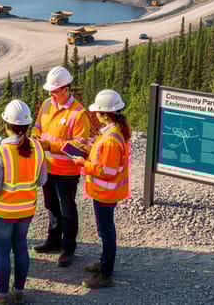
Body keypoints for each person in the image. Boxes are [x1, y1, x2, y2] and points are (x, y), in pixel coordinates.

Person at [0, 100, 47, 305]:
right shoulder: (38, 148)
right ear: (27, 125)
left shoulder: (0, 152)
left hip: (2, 212)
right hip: (26, 210)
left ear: (6, 124)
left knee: (2, 252)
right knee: (21, 248)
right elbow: (42, 180)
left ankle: (1, 295)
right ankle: (18, 291)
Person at [32, 66, 91, 267]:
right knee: (50, 206)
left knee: (67, 210)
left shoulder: (79, 114)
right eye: (50, 91)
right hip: (47, 167)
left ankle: (68, 247)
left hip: (66, 171)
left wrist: (50, 146)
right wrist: (35, 137)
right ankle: (53, 240)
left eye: (55, 91)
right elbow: (38, 126)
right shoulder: (47, 104)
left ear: (66, 89)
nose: (51, 94)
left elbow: (79, 148)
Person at [81, 89, 131, 289]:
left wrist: (83, 164)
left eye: (97, 112)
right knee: (105, 230)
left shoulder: (111, 139)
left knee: (106, 232)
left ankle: (106, 274)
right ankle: (104, 264)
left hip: (105, 193)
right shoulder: (113, 132)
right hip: (105, 192)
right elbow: (104, 159)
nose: (95, 114)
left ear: (105, 114)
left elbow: (108, 171)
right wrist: (88, 150)